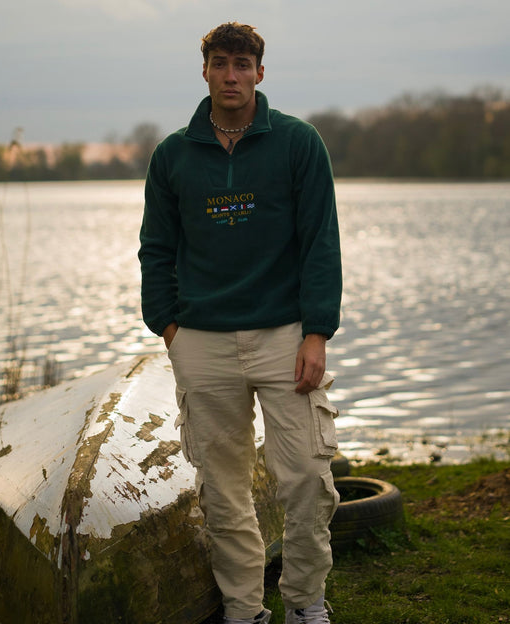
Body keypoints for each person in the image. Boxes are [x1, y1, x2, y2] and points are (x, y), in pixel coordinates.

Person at [139, 22, 342, 624]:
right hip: (201, 341)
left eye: (243, 65)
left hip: (284, 335)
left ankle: (306, 602)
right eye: (221, 64)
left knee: (307, 478)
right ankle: (244, 610)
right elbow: (156, 247)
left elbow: (320, 242)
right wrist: (168, 328)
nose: (232, 75)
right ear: (204, 70)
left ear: (260, 72)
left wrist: (316, 333)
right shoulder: (173, 154)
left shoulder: (298, 143)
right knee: (223, 491)